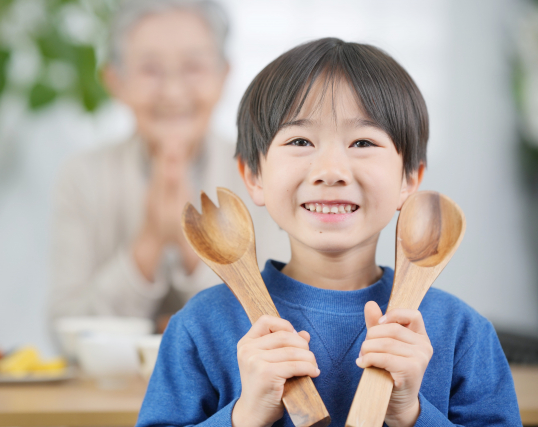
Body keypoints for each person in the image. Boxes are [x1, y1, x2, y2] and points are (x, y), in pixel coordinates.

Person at [136, 38, 521, 426]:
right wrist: (245, 415)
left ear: (409, 178)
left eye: (363, 142)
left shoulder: (462, 332)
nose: (331, 170)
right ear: (254, 175)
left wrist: (412, 413)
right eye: (300, 141)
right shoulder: (200, 326)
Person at [49, 0, 289, 327]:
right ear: (115, 81)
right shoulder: (83, 176)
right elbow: (65, 328)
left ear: (224, 76)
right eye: (150, 69)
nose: (173, 92)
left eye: (193, 67)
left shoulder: (265, 173)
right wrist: (149, 241)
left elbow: (280, 319)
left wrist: (195, 247)